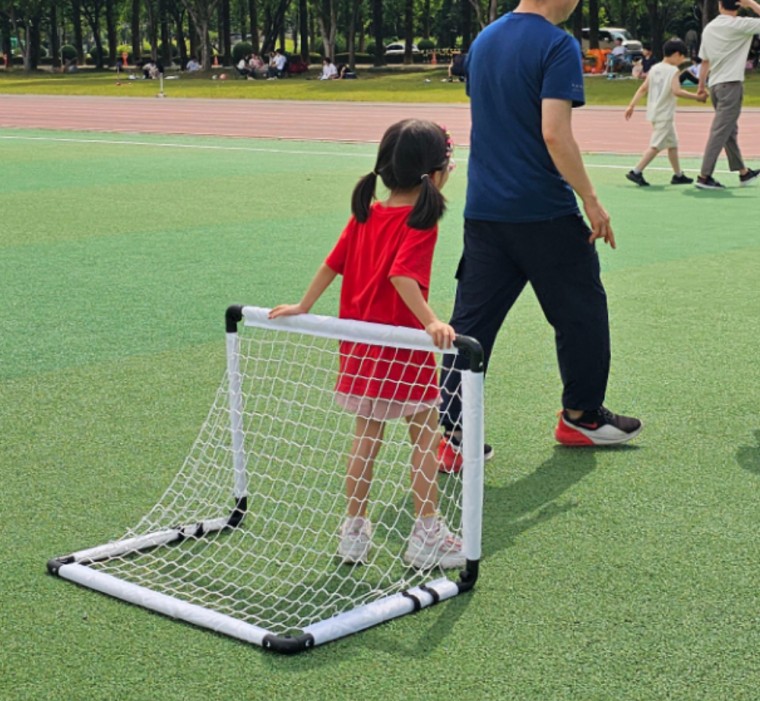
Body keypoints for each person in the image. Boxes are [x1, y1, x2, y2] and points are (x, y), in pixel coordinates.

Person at [438, 0, 642, 471]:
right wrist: (591, 199)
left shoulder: (486, 38)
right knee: (582, 313)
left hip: (485, 210)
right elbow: (554, 133)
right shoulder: (557, 44)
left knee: (470, 327)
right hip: (543, 210)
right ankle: (581, 417)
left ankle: (449, 435)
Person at [269, 119, 464, 570]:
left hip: (358, 347)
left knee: (366, 435)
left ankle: (354, 531)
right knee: (424, 436)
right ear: (435, 175)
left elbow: (332, 264)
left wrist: (304, 304)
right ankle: (426, 532)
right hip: (402, 347)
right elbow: (401, 276)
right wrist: (432, 321)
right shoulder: (422, 220)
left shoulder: (366, 214)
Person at [624, 39, 708, 187]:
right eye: (682, 57)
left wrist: (632, 105)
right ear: (676, 54)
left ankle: (678, 175)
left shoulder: (655, 68)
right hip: (664, 113)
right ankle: (636, 171)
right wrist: (697, 97)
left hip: (655, 111)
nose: (682, 61)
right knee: (656, 145)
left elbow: (644, 88)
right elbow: (677, 91)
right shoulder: (673, 71)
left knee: (672, 144)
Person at [696, 0, 760, 189]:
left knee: (728, 131)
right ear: (739, 6)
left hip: (715, 85)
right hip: (730, 85)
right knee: (720, 131)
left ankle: (743, 172)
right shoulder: (740, 24)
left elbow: (705, 61)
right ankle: (704, 176)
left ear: (720, 5)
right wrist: (752, 4)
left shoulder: (709, 28)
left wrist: (701, 85)